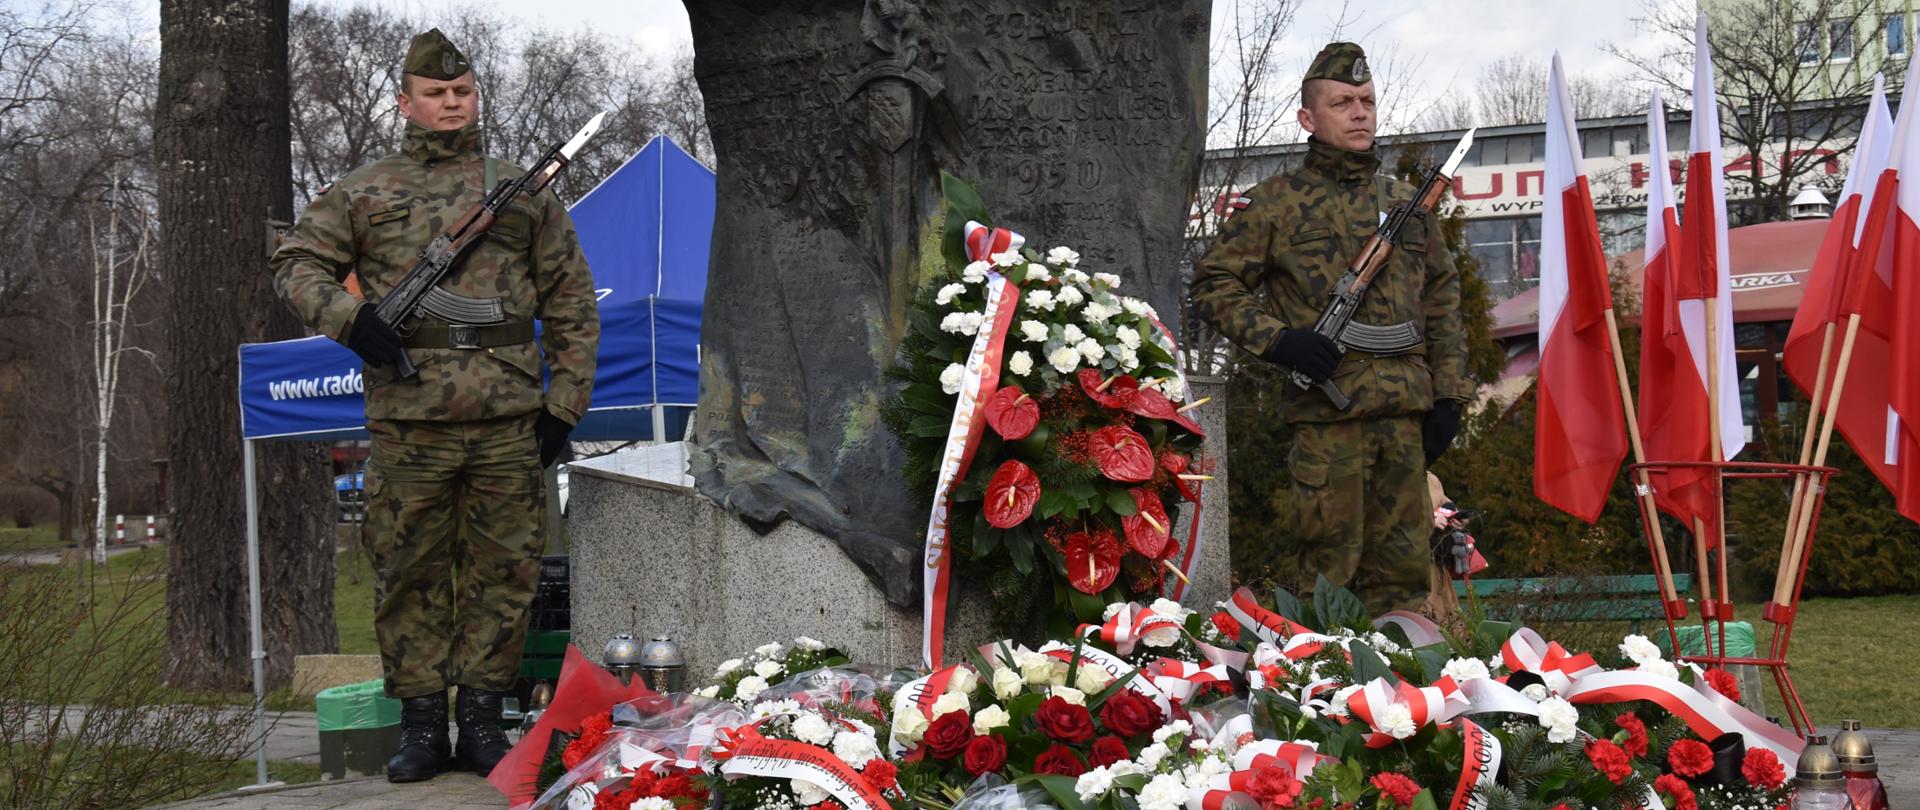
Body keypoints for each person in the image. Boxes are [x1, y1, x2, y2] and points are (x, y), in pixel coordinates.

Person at [271, 28, 599, 782]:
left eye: (462, 92)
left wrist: (564, 404)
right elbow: (293, 262)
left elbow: (573, 301)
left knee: (505, 573)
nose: (450, 104)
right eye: (435, 94)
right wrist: (352, 320)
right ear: (406, 103)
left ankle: (483, 720)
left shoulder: (522, 189)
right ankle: (422, 727)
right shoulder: (365, 190)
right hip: (409, 424)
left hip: (510, 422)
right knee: (408, 573)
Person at [1190, 41, 1469, 612]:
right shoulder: (1275, 204)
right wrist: (1281, 341)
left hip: (1405, 420)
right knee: (1325, 582)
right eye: (1343, 102)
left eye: (1366, 100)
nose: (1361, 112)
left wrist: (1451, 399)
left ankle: (1405, 698)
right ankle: (1320, 694)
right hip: (1329, 420)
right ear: (1308, 119)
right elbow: (1213, 285)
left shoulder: (1407, 205)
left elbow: (1442, 303)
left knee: (1407, 585)